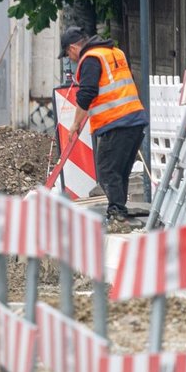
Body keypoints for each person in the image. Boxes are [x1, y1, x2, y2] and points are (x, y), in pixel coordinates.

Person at [60, 26, 148, 226]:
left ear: (73, 47)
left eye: (67, 53)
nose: (70, 58)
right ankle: (119, 214)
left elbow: (87, 93)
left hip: (116, 122)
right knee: (119, 171)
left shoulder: (91, 58)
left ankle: (117, 215)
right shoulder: (115, 52)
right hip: (134, 119)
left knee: (107, 170)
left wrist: (74, 125)